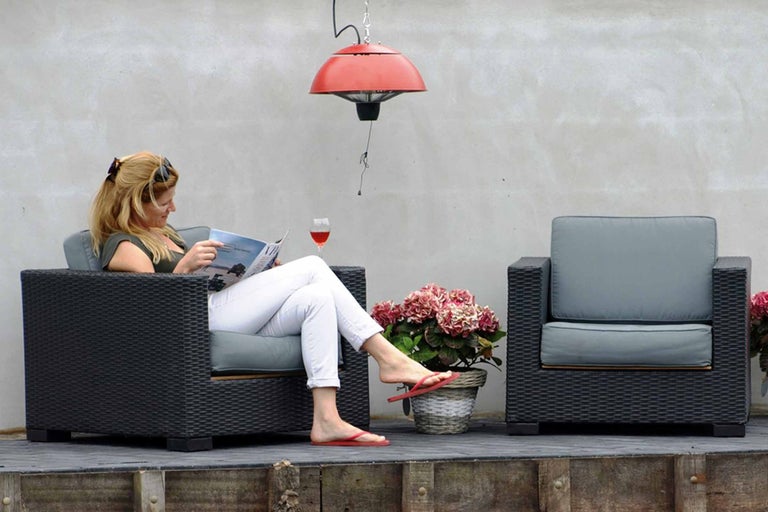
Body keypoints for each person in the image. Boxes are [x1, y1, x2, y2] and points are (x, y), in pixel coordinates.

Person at [89, 151, 458, 447]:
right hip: (194, 323)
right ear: (135, 203)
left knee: (316, 297)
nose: (173, 209)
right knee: (312, 266)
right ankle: (388, 359)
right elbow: (152, 306)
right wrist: (184, 269)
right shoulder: (123, 245)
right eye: (164, 203)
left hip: (219, 310)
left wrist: (255, 272)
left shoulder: (164, 233)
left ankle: (326, 419)